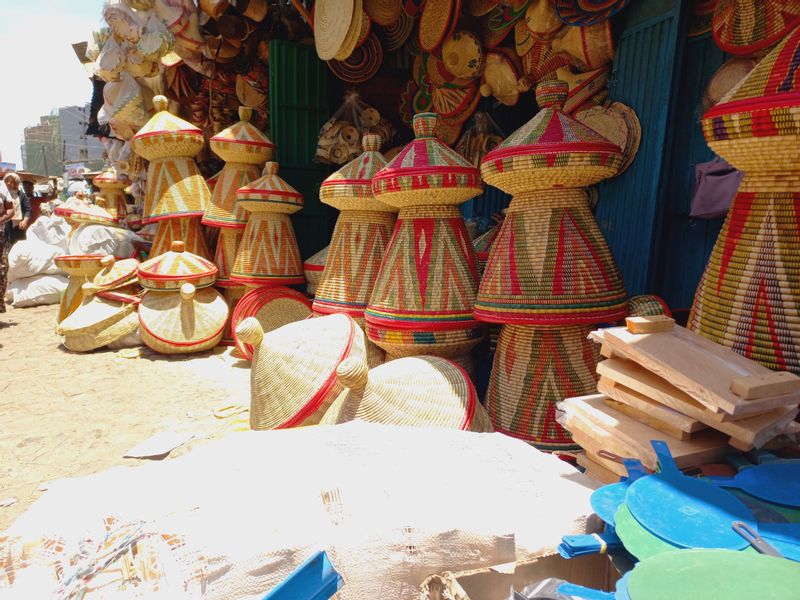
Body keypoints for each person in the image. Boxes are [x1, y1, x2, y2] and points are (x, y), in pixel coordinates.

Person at [3, 173, 31, 245]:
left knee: (18, 244)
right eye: (7, 181)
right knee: (5, 244)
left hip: (19, 225)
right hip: (3, 224)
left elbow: (28, 209)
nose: (9, 183)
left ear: (16, 183)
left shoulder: (21, 195)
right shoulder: (1, 194)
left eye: (12, 182)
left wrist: (25, 221)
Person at [0, 187, 15, 312]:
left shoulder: (2, 188)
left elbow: (10, 210)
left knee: (2, 270)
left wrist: (1, 219)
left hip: (0, 237)